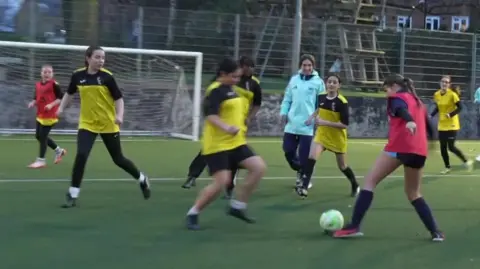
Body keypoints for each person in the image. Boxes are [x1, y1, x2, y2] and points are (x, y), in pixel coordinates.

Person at [333, 74, 444, 242]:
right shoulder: (418, 101)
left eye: (386, 89)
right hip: (419, 152)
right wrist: (432, 142)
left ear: (394, 86)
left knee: (369, 182)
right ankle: (436, 232)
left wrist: (408, 121)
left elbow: (400, 109)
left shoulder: (396, 98)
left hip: (399, 147)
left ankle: (354, 226)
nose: (386, 94)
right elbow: (429, 126)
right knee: (413, 193)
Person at [56, 45, 151, 208]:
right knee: (82, 155)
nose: (101, 61)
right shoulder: (77, 75)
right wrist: (60, 108)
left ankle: (142, 179)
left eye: (103, 58)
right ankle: (73, 193)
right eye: (97, 57)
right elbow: (69, 93)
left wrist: (119, 116)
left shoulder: (107, 77)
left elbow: (119, 99)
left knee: (118, 159)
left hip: (108, 124)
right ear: (88, 58)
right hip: (87, 124)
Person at [185, 58, 266, 230]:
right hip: (217, 145)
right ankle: (193, 212)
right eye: (234, 76)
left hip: (236, 143)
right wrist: (227, 127)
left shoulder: (232, 89)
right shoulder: (215, 91)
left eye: (238, 77)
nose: (237, 80)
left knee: (259, 168)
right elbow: (211, 116)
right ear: (223, 74)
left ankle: (237, 206)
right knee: (222, 182)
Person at [297, 74, 359, 198]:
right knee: (312, 157)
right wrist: (311, 118)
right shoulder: (321, 97)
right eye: (329, 82)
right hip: (322, 135)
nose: (331, 84)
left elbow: (344, 125)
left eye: (334, 82)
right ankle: (304, 187)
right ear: (326, 84)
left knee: (342, 166)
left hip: (337, 138)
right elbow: (319, 109)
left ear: (338, 85)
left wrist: (325, 122)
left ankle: (355, 184)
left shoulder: (342, 102)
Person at [280, 54, 325, 188]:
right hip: (292, 124)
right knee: (288, 151)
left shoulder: (318, 82)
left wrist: (317, 117)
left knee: (305, 154)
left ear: (313, 67)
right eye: (304, 65)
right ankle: (301, 169)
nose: (307, 68)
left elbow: (321, 104)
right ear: (300, 66)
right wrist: (283, 112)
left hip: (308, 125)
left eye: (309, 65)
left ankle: (306, 177)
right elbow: (287, 98)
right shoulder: (294, 80)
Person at [27, 64, 67, 168]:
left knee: (43, 137)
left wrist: (51, 104)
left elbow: (60, 98)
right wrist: (33, 102)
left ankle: (41, 160)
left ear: (52, 74)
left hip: (50, 115)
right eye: (45, 72)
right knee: (38, 136)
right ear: (41, 73)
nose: (47, 74)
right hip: (40, 114)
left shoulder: (54, 84)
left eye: (49, 72)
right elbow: (36, 98)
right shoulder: (37, 85)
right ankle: (59, 151)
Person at [431, 75, 472, 174]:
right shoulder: (436, 94)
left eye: (446, 82)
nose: (444, 83)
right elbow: (438, 107)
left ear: (449, 84)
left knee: (451, 147)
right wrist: (431, 115)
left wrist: (450, 114)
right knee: (443, 147)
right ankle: (447, 167)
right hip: (442, 124)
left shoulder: (453, 94)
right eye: (443, 82)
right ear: (440, 83)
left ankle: (466, 161)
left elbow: (460, 107)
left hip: (452, 124)